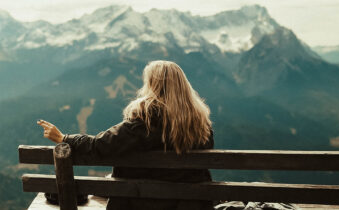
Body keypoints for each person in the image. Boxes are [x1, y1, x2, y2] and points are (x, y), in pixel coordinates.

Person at [37, 60, 214, 210]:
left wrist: (64, 138)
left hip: (140, 204)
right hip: (192, 205)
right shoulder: (201, 125)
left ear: (152, 86)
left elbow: (100, 146)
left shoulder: (146, 121)